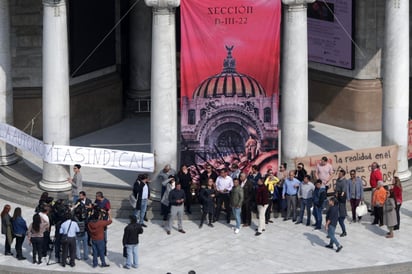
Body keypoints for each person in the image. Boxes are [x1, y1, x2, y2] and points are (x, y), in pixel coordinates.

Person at [73, 191, 92, 261]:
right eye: (79, 196)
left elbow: (90, 206)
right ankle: (78, 256)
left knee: (85, 242)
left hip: (86, 218)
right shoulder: (78, 201)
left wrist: (84, 206)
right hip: (80, 220)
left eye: (81, 196)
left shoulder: (88, 200)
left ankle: (85, 255)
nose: (80, 197)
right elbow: (75, 207)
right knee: (79, 241)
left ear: (84, 196)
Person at [335, 169, 348, 237]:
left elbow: (344, 189)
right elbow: (336, 188)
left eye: (340, 173)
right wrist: (336, 193)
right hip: (338, 195)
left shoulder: (344, 181)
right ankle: (331, 232)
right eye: (339, 173)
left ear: (343, 174)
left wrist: (341, 195)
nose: (339, 174)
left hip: (342, 196)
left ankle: (344, 231)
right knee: (334, 218)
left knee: (340, 219)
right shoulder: (338, 180)